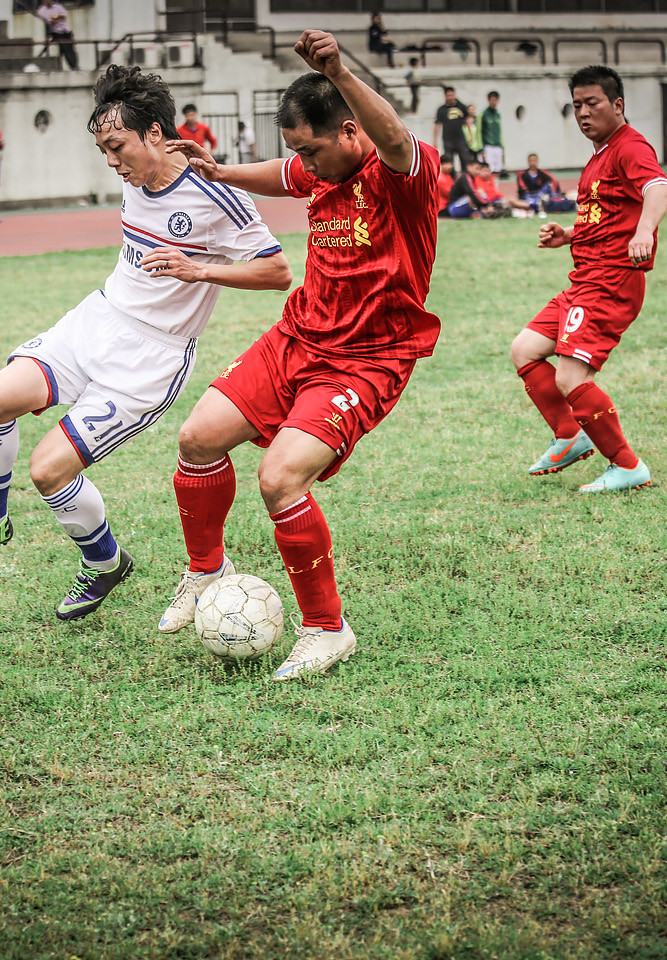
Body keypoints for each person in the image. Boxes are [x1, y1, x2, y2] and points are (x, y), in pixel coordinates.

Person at [0, 65, 291, 623]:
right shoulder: (134, 175)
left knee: (49, 470)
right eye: (103, 151)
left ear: (156, 135)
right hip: (96, 320)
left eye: (118, 148)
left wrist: (197, 271)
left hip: (151, 359)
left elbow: (279, 271)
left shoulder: (216, 192)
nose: (112, 162)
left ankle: (105, 561)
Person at [162, 29, 441, 680]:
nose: (305, 167)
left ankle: (327, 628)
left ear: (348, 133)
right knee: (198, 438)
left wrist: (341, 71)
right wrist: (220, 170)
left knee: (280, 478)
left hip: (366, 360)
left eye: (312, 150)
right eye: (298, 154)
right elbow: (285, 176)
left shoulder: (400, 177)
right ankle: (206, 572)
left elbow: (396, 139)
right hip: (298, 337)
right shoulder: (320, 169)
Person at [510, 65, 667, 493]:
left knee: (570, 378)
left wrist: (644, 230)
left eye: (592, 103)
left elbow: (658, 189)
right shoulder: (600, 153)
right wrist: (568, 235)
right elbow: (605, 218)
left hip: (611, 281)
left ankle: (627, 464)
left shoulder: (630, 147)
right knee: (524, 350)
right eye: (577, 105)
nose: (583, 112)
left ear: (617, 105)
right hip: (585, 278)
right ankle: (569, 434)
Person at [433, 87, 472, 174]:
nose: (450, 97)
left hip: (460, 139)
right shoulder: (442, 109)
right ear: (445, 96)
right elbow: (437, 125)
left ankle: (465, 180)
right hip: (448, 140)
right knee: (449, 162)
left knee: (465, 160)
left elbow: (468, 121)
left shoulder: (461, 107)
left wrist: (470, 136)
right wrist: (435, 140)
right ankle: (452, 182)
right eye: (448, 95)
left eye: (452, 95)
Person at [34, 0, 79, 71]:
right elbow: (50, 21)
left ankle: (75, 66)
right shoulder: (42, 10)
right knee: (65, 49)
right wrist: (58, 17)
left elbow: (63, 16)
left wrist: (56, 18)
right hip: (56, 32)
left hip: (66, 30)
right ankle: (72, 66)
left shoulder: (58, 6)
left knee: (70, 49)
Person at [479, 90, 505, 177]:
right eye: (491, 100)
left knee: (497, 170)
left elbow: (499, 132)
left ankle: (495, 189)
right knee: (489, 170)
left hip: (498, 146)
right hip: (488, 146)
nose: (493, 102)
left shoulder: (498, 114)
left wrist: (502, 146)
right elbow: (480, 132)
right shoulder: (484, 114)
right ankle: (489, 189)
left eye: (495, 100)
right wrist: (482, 150)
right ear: (488, 100)